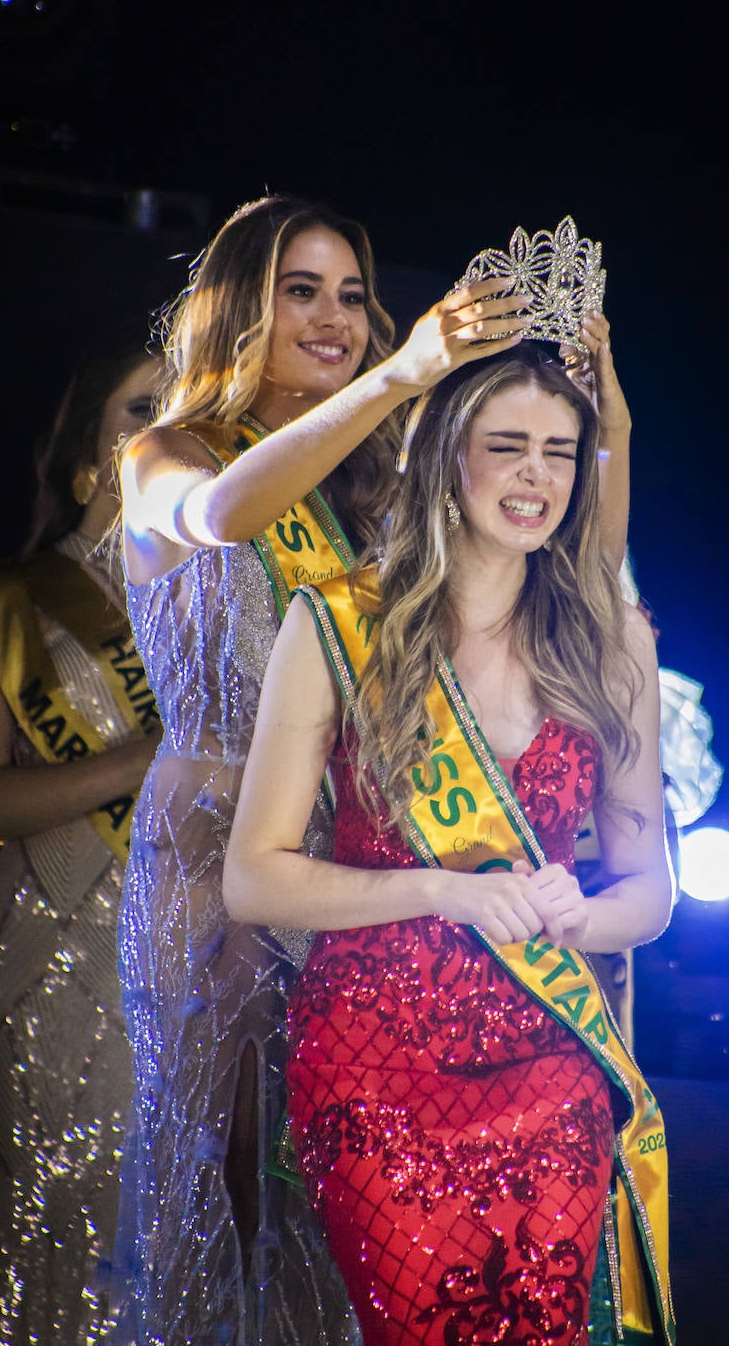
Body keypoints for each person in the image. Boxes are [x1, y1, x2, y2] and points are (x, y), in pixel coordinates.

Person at [114, 194, 534, 1346]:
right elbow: (217, 516)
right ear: (241, 307)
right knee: (232, 1181)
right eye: (302, 290)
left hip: (355, 862)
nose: (335, 317)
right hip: (216, 862)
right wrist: (398, 378)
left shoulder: (379, 486)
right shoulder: (169, 452)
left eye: (351, 293)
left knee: (358, 1190)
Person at [224, 339, 676, 1345]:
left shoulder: (612, 638)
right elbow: (252, 879)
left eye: (561, 452)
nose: (535, 478)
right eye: (506, 445)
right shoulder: (340, 622)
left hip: (547, 1054)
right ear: (443, 458)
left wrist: (586, 913)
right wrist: (444, 892)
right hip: (373, 1068)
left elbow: (650, 890)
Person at [0, 343, 163, 1344]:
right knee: (61, 1250)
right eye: (138, 410)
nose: (163, 429)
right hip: (57, 963)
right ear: (87, 459)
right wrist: (135, 764)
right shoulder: (15, 602)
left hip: (196, 964)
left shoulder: (235, 592)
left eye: (184, 411)